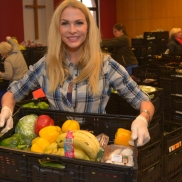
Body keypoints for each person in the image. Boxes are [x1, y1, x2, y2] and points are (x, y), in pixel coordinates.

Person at [0, 0, 154, 147]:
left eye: (79, 23)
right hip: (56, 144)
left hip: (95, 146)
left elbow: (143, 101)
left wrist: (143, 118)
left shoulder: (105, 65)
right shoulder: (46, 64)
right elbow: (13, 93)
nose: (72, 30)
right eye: (65, 23)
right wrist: (6, 109)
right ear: (57, 28)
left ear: (88, 27)